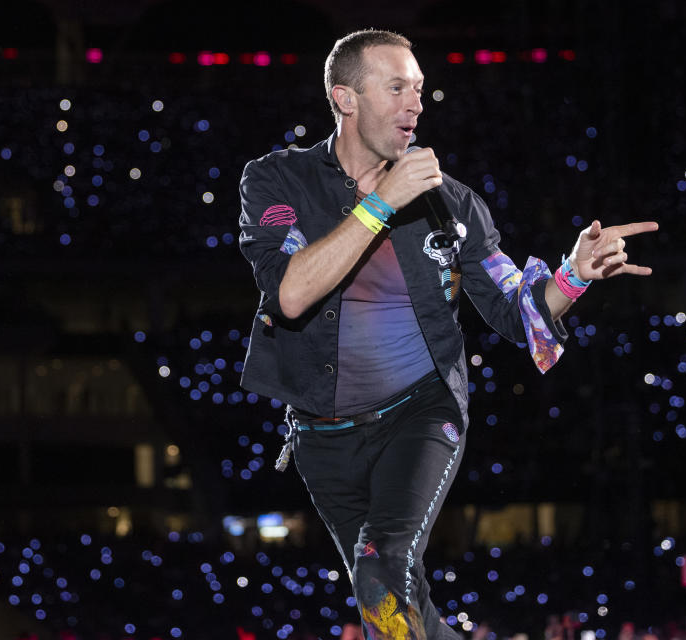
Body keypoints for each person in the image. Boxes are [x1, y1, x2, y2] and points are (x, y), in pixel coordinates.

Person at [238, 29, 657, 640]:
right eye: (397, 86)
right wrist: (380, 202)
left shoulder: (452, 206)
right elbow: (292, 293)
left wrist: (573, 275)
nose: (417, 102)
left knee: (380, 572)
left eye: (421, 89)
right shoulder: (277, 181)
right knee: (396, 604)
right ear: (345, 98)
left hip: (421, 411)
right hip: (321, 434)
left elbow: (519, 312)